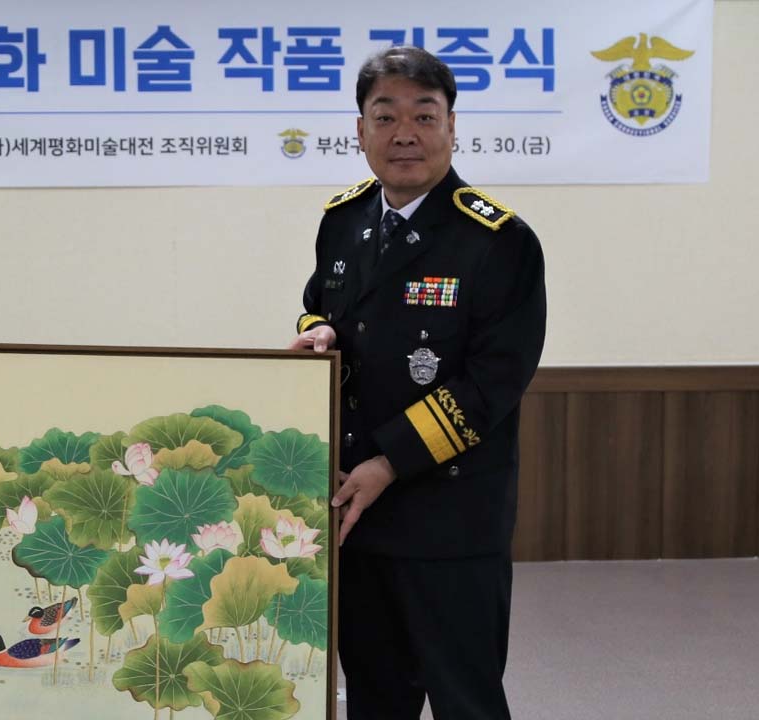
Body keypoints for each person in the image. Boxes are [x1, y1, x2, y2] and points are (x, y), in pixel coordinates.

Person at [289, 46, 546, 719]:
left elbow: (492, 383)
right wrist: (318, 334)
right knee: (376, 698)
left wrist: (388, 462)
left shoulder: (498, 241)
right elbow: (319, 305)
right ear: (360, 131)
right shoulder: (344, 221)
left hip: (451, 520)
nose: (405, 134)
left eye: (424, 116)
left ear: (452, 127)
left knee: (467, 700)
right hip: (357, 513)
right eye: (386, 117)